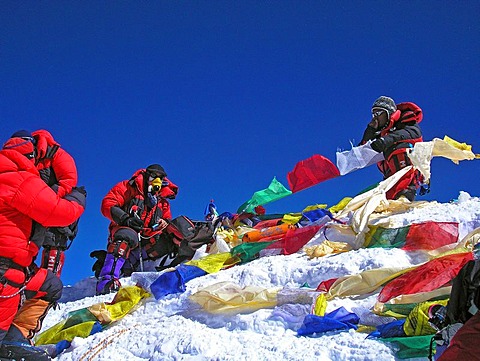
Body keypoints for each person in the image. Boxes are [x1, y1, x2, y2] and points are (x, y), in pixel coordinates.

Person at [0, 133, 86, 360]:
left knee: (50, 285)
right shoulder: (17, 178)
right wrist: (76, 199)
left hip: (17, 269)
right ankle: (8, 346)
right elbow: (60, 212)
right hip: (6, 272)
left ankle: (14, 340)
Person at [93, 164, 178, 295]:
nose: (156, 181)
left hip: (148, 240)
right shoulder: (128, 187)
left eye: (160, 178)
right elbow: (108, 204)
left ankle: (130, 266)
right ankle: (107, 280)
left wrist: (164, 223)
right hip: (126, 231)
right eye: (153, 177)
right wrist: (125, 218)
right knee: (127, 235)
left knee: (169, 240)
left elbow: (167, 218)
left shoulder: (162, 201)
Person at [18, 129, 79, 277]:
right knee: (25, 243)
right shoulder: (26, 159)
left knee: (54, 242)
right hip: (33, 208)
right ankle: (26, 284)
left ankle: (48, 288)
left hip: (57, 204)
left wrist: (46, 196)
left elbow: (69, 181)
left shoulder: (58, 155)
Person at [359, 96, 425, 201]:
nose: (375, 117)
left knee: (396, 147)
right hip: (391, 173)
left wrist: (385, 140)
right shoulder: (381, 132)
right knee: (376, 150)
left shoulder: (405, 120)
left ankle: (405, 190)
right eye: (373, 114)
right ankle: (391, 191)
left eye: (378, 113)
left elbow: (414, 133)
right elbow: (362, 152)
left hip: (412, 167)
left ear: (389, 113)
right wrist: (369, 132)